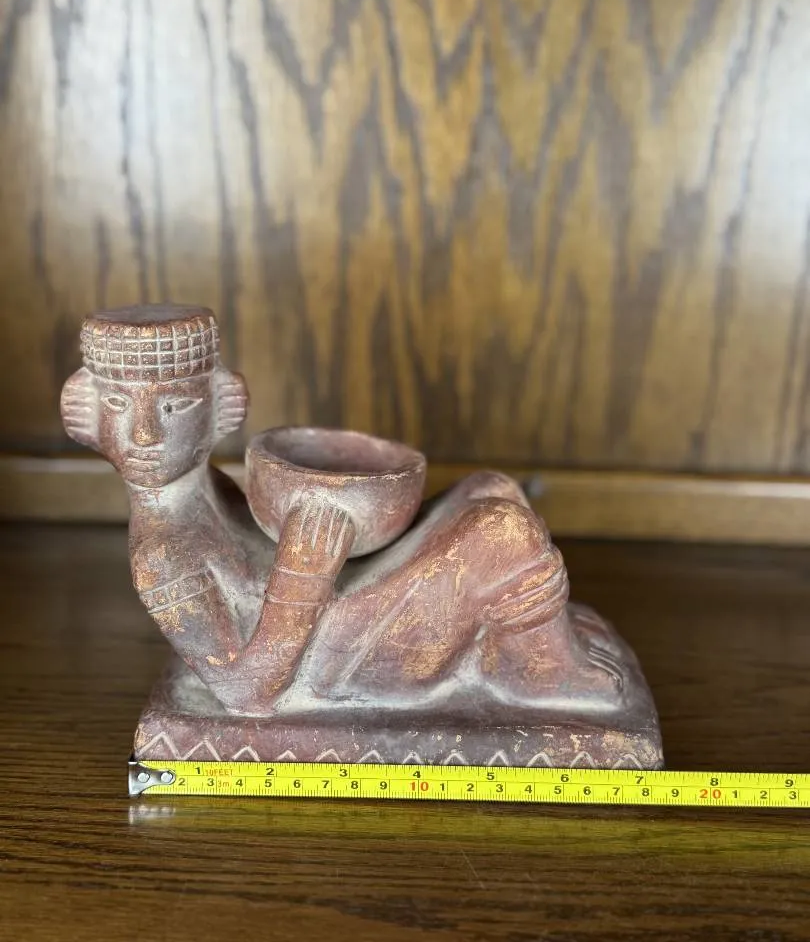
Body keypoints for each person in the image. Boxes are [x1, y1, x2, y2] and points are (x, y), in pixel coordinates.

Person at [61, 304, 625, 717]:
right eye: (118, 402)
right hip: (333, 658)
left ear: (220, 408)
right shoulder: (161, 553)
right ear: (84, 413)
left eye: (175, 405)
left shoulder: (201, 488)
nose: (145, 433)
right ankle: (537, 674)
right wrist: (301, 579)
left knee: (489, 487)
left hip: (331, 619)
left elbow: (254, 550)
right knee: (499, 531)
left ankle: (528, 644)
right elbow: (245, 694)